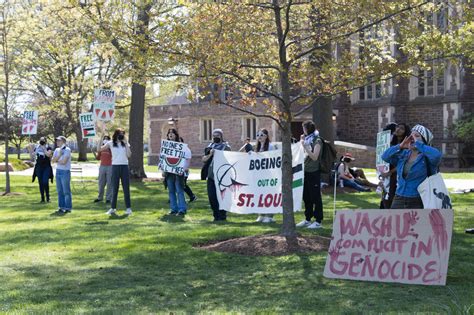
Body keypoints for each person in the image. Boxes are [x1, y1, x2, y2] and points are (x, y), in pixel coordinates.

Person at [382, 124, 442, 209]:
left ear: (424, 141)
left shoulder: (428, 157)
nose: (412, 138)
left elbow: (437, 156)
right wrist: (400, 146)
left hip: (419, 199)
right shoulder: (404, 154)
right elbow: (384, 156)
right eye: (411, 135)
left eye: (416, 136)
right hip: (399, 198)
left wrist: (418, 144)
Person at [296, 120, 324, 229]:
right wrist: (301, 142)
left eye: (304, 128)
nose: (303, 131)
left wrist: (305, 146)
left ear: (308, 129)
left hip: (314, 172)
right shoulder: (307, 139)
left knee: (315, 197)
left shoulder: (317, 140)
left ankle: (318, 221)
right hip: (305, 172)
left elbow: (314, 157)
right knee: (306, 197)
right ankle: (308, 219)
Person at [202, 128, 231, 221]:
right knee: (212, 196)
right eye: (214, 136)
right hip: (211, 175)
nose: (215, 137)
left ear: (221, 136)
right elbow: (204, 159)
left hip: (222, 176)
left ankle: (222, 216)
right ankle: (215, 215)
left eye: (217, 136)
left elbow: (230, 159)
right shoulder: (210, 146)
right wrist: (210, 154)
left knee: (222, 197)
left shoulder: (226, 147)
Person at [379, 123, 410, 209]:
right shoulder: (390, 144)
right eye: (397, 127)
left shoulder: (408, 146)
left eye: (401, 128)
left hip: (398, 174)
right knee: (385, 197)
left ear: (405, 132)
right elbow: (383, 157)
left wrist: (390, 172)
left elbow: (405, 162)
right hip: (387, 174)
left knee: (393, 196)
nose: (398, 129)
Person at [102, 129, 132, 216]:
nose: (121, 135)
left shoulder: (125, 143)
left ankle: (128, 208)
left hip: (124, 166)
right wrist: (101, 137)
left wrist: (126, 143)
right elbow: (99, 149)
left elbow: (129, 155)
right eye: (120, 134)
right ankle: (113, 208)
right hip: (115, 166)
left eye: (123, 134)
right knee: (114, 188)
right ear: (116, 134)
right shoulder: (110, 143)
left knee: (126, 188)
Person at [164, 129, 191, 216]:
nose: (170, 134)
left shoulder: (181, 146)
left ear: (176, 135)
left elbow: (188, 157)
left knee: (179, 190)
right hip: (169, 172)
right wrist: (163, 170)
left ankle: (182, 209)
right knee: (171, 191)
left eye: (172, 133)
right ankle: (173, 209)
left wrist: (184, 168)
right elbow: (163, 159)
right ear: (167, 136)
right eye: (169, 133)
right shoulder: (165, 147)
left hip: (179, 172)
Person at [253, 129, 277, 223]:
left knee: (269, 195)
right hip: (259, 175)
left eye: (262, 135)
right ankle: (261, 214)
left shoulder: (271, 146)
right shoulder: (257, 147)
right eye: (258, 135)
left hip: (269, 175)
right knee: (260, 195)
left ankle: (270, 216)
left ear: (266, 136)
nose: (259, 137)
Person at [51, 136, 72, 214]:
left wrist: (57, 160)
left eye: (59, 141)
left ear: (63, 141)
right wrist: (59, 156)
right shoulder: (57, 150)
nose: (57, 142)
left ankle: (68, 207)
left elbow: (64, 162)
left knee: (66, 191)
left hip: (65, 172)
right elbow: (52, 161)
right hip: (58, 171)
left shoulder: (67, 150)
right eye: (57, 141)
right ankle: (61, 207)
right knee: (59, 191)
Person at [29, 137, 53, 203]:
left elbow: (48, 155)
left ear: (46, 141)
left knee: (45, 181)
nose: (41, 142)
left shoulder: (48, 147)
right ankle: (42, 198)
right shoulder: (37, 147)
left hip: (46, 166)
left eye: (43, 141)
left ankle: (48, 197)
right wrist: (31, 149)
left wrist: (43, 148)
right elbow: (32, 156)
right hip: (39, 166)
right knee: (41, 182)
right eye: (40, 140)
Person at [92, 135, 113, 204]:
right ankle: (100, 197)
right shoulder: (101, 148)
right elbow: (98, 158)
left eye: (107, 139)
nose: (105, 140)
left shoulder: (111, 148)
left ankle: (108, 198)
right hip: (102, 166)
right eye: (104, 139)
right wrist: (94, 153)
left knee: (109, 183)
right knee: (101, 183)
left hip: (110, 166)